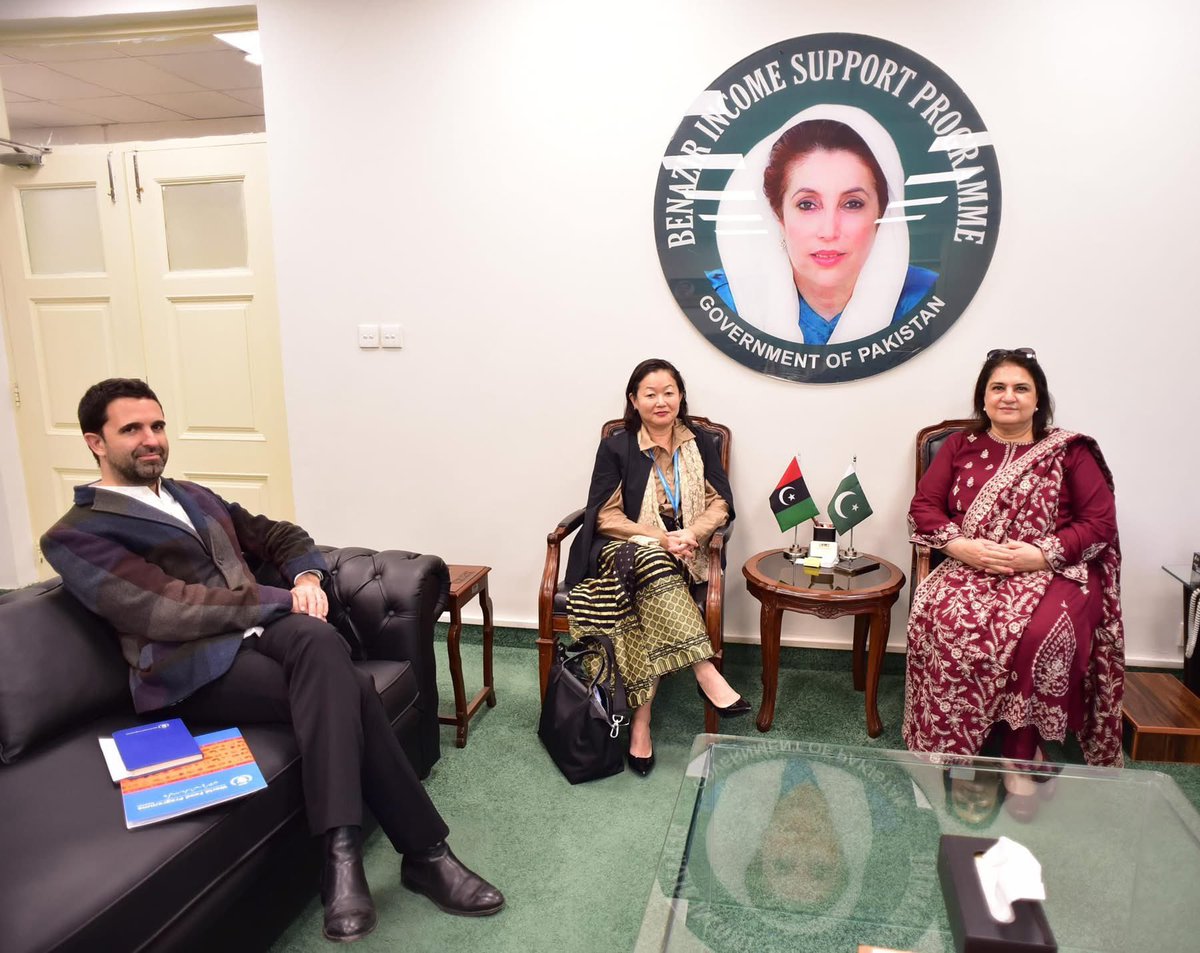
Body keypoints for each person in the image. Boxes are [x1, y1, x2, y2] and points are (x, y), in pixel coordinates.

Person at [40, 379, 503, 943]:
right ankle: (419, 854)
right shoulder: (75, 534)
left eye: (157, 425)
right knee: (350, 686)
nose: (151, 439)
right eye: (131, 429)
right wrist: (283, 600)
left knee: (319, 645)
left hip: (270, 638)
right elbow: (164, 609)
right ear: (95, 442)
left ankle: (345, 860)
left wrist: (306, 576)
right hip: (194, 670)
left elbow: (279, 535)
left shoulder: (193, 496)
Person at [903, 349, 1125, 781]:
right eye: (998, 388)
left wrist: (1040, 554)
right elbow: (924, 507)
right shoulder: (960, 446)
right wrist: (961, 547)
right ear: (983, 400)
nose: (1009, 396)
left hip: (1055, 568)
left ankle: (1022, 750)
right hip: (971, 563)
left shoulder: (1069, 451)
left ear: (1038, 399)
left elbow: (1099, 523)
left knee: (1040, 634)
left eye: (1021, 388)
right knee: (947, 620)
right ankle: (956, 740)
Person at [564, 359, 749, 777]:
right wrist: (659, 537)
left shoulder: (700, 442)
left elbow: (720, 502)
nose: (660, 401)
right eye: (650, 394)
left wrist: (692, 534)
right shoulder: (617, 446)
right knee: (651, 559)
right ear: (634, 400)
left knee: (651, 591)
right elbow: (605, 515)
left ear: (680, 396)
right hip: (623, 549)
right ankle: (705, 670)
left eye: (669, 392)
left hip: (686, 550)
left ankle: (641, 724)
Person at [705, 104, 937, 346]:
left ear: (881, 213)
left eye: (852, 204)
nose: (829, 231)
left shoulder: (928, 297)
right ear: (779, 215)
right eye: (807, 205)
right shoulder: (725, 299)